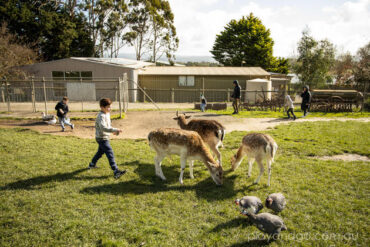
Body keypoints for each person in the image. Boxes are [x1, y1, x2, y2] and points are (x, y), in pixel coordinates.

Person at [89, 98, 126, 179]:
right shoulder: (101, 116)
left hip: (105, 136)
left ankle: (92, 164)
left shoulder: (107, 114)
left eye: (110, 106)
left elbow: (108, 126)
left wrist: (113, 132)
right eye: (108, 107)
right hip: (101, 138)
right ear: (102, 107)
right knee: (110, 153)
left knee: (100, 152)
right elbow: (103, 128)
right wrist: (115, 129)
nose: (110, 108)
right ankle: (116, 171)